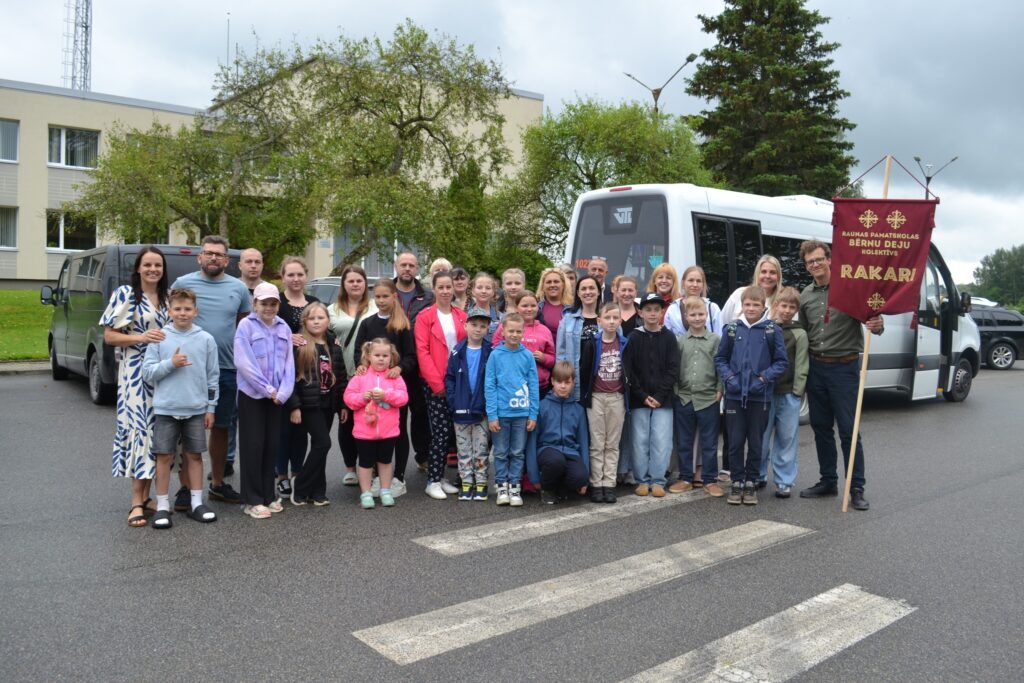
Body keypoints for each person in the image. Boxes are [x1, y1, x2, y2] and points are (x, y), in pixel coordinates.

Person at [797, 240, 882, 511]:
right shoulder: (806, 295)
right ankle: (828, 481)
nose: (815, 265)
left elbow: (874, 323)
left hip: (844, 369)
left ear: (830, 259)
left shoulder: (850, 288)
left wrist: (877, 324)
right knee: (821, 428)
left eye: (819, 259)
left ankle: (856, 487)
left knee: (849, 430)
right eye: (810, 262)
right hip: (816, 368)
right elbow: (801, 332)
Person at [172, 236, 250, 507]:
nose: (213, 258)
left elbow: (243, 327)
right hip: (189, 369)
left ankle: (217, 484)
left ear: (227, 261)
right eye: (208, 253)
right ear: (199, 257)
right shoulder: (182, 284)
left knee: (221, 427)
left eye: (219, 254)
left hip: (227, 368)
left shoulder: (238, 289)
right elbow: (170, 319)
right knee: (185, 427)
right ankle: (184, 488)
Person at [100, 246, 169, 527]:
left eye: (158, 265)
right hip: (136, 376)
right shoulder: (127, 295)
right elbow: (109, 336)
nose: (153, 269)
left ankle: (150, 497)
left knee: (158, 436)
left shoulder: (166, 298)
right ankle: (136, 502)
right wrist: (141, 337)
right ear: (138, 268)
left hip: (163, 374)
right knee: (139, 434)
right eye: (148, 265)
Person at [141, 288, 219, 529]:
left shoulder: (206, 339)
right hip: (166, 409)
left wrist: (210, 407)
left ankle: (197, 502)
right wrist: (170, 364)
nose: (182, 313)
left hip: (196, 409)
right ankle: (163, 506)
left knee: (194, 455)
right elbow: (148, 373)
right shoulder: (160, 337)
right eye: (177, 309)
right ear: (169, 311)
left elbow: (212, 377)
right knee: (164, 456)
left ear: (195, 311)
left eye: (187, 309)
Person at [714, 286, 788, 506]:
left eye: (756, 305)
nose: (752, 308)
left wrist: (764, 378)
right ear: (742, 306)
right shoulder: (731, 329)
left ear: (764, 307)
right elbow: (721, 359)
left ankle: (751, 481)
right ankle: (737, 481)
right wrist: (729, 378)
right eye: (748, 304)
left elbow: (781, 362)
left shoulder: (772, 331)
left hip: (760, 397)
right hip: (735, 395)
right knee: (735, 441)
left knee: (756, 442)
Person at [234, 283, 295, 519]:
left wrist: (283, 392)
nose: (268, 308)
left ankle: (268, 495)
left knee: (271, 446)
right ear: (255, 304)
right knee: (253, 446)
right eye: (264, 303)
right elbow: (244, 363)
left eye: (273, 303)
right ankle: (252, 499)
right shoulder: (246, 326)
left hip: (277, 398)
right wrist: (268, 389)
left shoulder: (284, 328)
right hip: (253, 395)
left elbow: (289, 363)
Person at [353, 280, 417, 497]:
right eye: (377, 297)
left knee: (396, 433)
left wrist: (399, 367)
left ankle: (397, 476)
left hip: (394, 388)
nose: (381, 301)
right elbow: (358, 352)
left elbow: (411, 356)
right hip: (371, 389)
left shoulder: (402, 325)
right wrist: (361, 366)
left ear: (394, 297)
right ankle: (371, 476)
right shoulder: (367, 323)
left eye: (385, 296)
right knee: (370, 433)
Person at [285, 302, 345, 507]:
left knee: (320, 447)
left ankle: (318, 491)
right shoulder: (300, 346)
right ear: (305, 322)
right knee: (323, 443)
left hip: (328, 403)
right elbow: (290, 379)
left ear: (328, 321)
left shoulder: (334, 345)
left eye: (321, 318)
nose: (316, 321)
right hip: (309, 405)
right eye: (312, 318)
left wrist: (343, 405)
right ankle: (300, 486)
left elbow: (342, 376)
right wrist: (294, 406)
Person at [415, 270, 467, 499]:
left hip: (458, 381)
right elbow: (422, 352)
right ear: (434, 289)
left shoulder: (461, 315)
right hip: (435, 382)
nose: (446, 291)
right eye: (441, 287)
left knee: (454, 432)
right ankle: (432, 480)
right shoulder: (425, 317)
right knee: (440, 431)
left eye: (449, 287)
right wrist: (437, 383)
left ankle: (442, 476)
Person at [623, 293, 680, 498]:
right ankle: (642, 480)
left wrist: (659, 394)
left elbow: (673, 369)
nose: (653, 313)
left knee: (662, 440)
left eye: (657, 309)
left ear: (662, 312)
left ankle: (658, 480)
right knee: (639, 440)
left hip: (663, 400)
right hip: (640, 400)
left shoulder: (669, 337)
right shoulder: (634, 338)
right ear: (640, 312)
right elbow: (629, 371)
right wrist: (642, 394)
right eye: (648, 309)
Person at [343, 338, 409, 509]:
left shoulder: (395, 377)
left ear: (391, 357)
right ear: (369, 356)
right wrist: (362, 397)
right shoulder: (360, 376)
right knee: (365, 462)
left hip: (388, 430)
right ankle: (365, 492)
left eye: (385, 355)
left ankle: (385, 490)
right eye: (377, 355)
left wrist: (386, 395)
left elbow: (403, 398)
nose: (381, 359)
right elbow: (348, 398)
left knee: (385, 461)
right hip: (364, 431)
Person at [669, 296, 725, 497]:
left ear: (707, 315)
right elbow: (675, 367)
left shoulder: (715, 340)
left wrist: (720, 388)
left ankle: (710, 479)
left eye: (701, 314)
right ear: (686, 317)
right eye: (692, 314)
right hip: (684, 397)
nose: (697, 318)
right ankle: (685, 477)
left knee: (709, 443)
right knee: (684, 441)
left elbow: (720, 366)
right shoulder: (680, 341)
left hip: (708, 398)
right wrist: (676, 389)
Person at [328, 264, 378, 485]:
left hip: (370, 373)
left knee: (372, 418)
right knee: (346, 420)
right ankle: (350, 468)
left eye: (359, 280)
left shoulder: (375, 307)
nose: (355, 284)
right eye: (351, 281)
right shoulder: (331, 310)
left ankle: (372, 465)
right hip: (342, 372)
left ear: (365, 283)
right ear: (344, 284)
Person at [275, 256, 320, 499]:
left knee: (301, 428)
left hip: (307, 373)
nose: (295, 279)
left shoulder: (313, 302)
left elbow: (321, 326)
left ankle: (297, 473)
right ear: (283, 277)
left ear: (306, 276)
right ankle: (281, 475)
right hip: (281, 371)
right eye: (290, 275)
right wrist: (285, 338)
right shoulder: (276, 302)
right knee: (283, 428)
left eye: (299, 274)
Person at [485, 312, 540, 507]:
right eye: (511, 330)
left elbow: (533, 386)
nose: (515, 334)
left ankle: (515, 486)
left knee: (517, 452)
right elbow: (489, 386)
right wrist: (492, 415)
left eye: (518, 331)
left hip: (521, 414)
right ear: (503, 330)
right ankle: (502, 486)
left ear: (523, 332)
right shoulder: (495, 355)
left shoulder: (527, 356)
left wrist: (533, 413)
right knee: (500, 452)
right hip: (501, 414)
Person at [759, 287, 808, 498]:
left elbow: (802, 364)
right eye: (783, 305)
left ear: (796, 309)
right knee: (761, 435)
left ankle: (784, 480)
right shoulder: (766, 329)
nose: (787, 310)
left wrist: (797, 392)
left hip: (788, 393)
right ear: (775, 305)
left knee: (787, 438)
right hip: (765, 393)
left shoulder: (800, 333)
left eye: (791, 307)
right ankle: (758, 473)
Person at [445, 307, 494, 501]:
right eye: (473, 325)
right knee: (463, 450)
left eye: (482, 326)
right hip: (461, 409)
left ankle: (481, 483)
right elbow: (449, 378)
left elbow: (493, 381)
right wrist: (453, 400)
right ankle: (466, 482)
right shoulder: (457, 351)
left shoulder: (491, 351)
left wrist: (489, 405)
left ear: (488, 328)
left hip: (481, 410)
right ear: (465, 325)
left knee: (481, 449)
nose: (477, 329)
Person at [526, 361, 590, 505]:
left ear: (573, 383)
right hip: (547, 451)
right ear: (552, 381)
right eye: (559, 382)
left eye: (567, 382)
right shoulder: (542, 407)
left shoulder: (578, 410)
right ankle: (547, 489)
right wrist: (534, 477)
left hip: (570, 451)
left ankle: (561, 488)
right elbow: (531, 442)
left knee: (580, 476)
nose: (562, 386)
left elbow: (583, 442)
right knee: (556, 461)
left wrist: (585, 479)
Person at [393, 251, 433, 470]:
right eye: (403, 265)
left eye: (411, 265)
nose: (407, 268)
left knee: (420, 413)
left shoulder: (427, 297)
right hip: (392, 365)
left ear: (417, 269)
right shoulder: (386, 292)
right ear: (396, 267)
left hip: (419, 363)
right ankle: (392, 463)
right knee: (395, 416)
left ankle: (423, 457)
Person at [585, 302, 627, 504]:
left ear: (620, 320)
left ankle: (609, 483)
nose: (611, 322)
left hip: (617, 398)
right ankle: (596, 483)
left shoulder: (625, 343)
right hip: (596, 397)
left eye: (615, 318)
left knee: (612, 443)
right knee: (597, 443)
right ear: (599, 320)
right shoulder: (592, 343)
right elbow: (584, 370)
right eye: (607, 318)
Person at [493, 291, 555, 396]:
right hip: (510, 385)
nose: (529, 309)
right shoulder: (506, 325)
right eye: (524, 306)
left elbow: (552, 358)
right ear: (517, 307)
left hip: (538, 387)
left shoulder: (545, 330)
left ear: (538, 307)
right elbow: (495, 348)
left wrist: (544, 358)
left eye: (533, 305)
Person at [556, 275, 601, 402]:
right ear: (578, 293)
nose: (587, 292)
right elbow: (561, 355)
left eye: (591, 288)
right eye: (584, 289)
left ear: (598, 291)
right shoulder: (567, 320)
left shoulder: (608, 319)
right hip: (575, 382)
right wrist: (562, 381)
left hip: (600, 384)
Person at [721, 255, 784, 325]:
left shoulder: (785, 300)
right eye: (763, 272)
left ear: (778, 276)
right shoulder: (740, 294)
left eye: (772, 272)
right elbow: (722, 324)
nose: (767, 276)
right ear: (757, 274)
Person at [665, 265, 724, 336]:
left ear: (703, 285)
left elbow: (720, 337)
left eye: (698, 281)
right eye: (691, 280)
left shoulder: (712, 308)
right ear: (683, 283)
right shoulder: (673, 309)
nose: (695, 284)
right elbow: (667, 337)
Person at [536, 267, 572, 339]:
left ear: (563, 285)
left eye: (556, 281)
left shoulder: (572, 310)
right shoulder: (536, 308)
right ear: (543, 286)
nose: (552, 285)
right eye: (548, 282)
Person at [466, 271, 501, 342]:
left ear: (493, 292)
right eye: (479, 287)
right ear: (473, 291)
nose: (484, 291)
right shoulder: (464, 314)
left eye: (488, 288)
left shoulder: (500, 318)